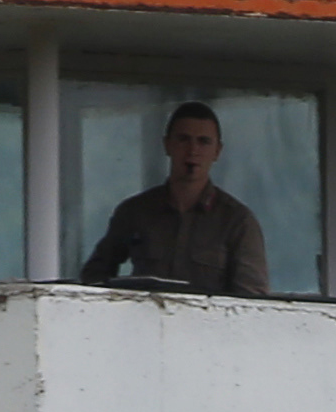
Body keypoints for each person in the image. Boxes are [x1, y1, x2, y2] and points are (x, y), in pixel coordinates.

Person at [78, 102, 270, 297]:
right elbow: (94, 276)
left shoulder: (237, 221)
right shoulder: (135, 212)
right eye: (183, 139)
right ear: (167, 144)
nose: (192, 150)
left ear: (217, 151)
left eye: (203, 141)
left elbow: (252, 301)